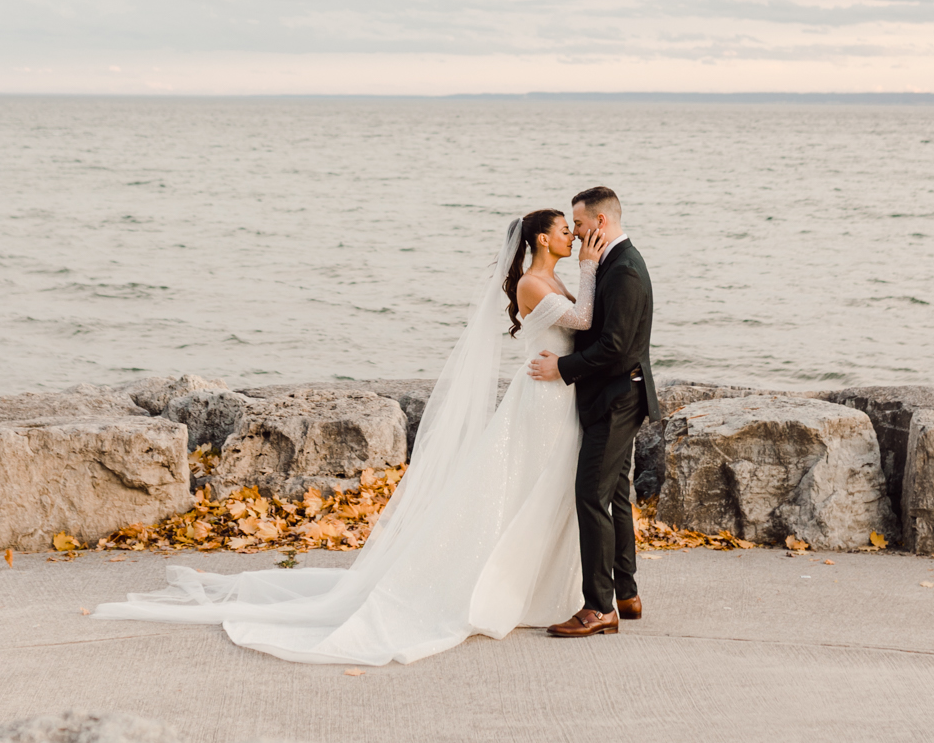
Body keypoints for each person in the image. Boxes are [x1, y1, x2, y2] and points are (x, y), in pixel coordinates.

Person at [92, 206, 608, 666]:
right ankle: (498, 585)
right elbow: (583, 320)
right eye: (565, 230)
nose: (572, 237)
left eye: (573, 231)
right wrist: (592, 264)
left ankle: (537, 585)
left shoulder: (556, 280)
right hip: (542, 399)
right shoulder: (531, 284)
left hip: (559, 393)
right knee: (523, 487)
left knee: (549, 491)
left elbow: (582, 324)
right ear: (541, 239)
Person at [527, 186, 658, 638]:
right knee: (616, 494)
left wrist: (562, 367)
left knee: (590, 495)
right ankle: (626, 592)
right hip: (619, 394)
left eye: (579, 225)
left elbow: (615, 347)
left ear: (599, 223)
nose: (576, 232)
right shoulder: (614, 262)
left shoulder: (624, 270)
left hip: (617, 397)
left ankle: (599, 608)